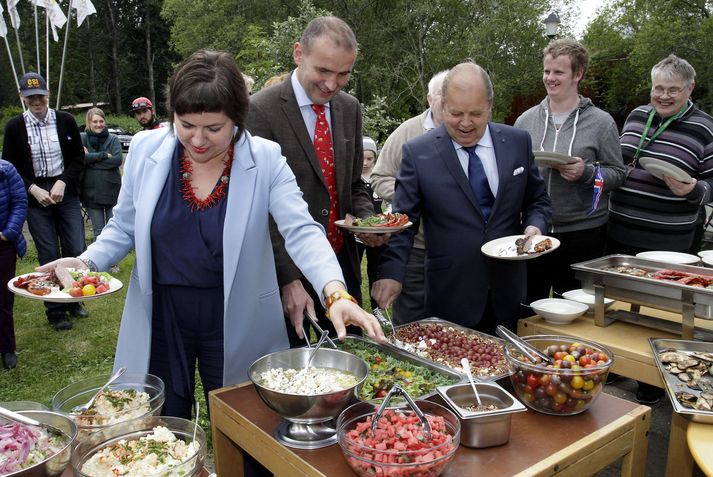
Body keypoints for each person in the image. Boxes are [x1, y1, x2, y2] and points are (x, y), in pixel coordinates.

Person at [38, 49, 384, 420]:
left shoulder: (266, 158)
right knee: (162, 419)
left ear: (237, 119)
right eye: (185, 124)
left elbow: (301, 230)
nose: (198, 140)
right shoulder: (144, 150)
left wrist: (335, 292)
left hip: (237, 311)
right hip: (162, 312)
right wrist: (85, 263)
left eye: (214, 129)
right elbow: (123, 226)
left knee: (246, 419)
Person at [372, 62, 552, 333]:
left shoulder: (517, 142)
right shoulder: (418, 152)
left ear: (490, 106)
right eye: (456, 113)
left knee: (506, 372)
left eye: (476, 114)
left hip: (508, 290)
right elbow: (404, 222)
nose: (466, 123)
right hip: (450, 292)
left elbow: (537, 200)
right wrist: (392, 273)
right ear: (442, 106)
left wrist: (534, 226)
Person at [248, 16, 387, 346]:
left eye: (343, 74)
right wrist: (288, 279)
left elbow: (353, 183)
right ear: (298, 54)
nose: (332, 83)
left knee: (352, 359)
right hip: (285, 271)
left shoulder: (349, 109)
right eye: (323, 71)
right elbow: (258, 207)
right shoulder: (260, 110)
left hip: (341, 265)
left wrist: (368, 221)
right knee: (296, 370)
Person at [607, 54, 713, 404]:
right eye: (658, 88)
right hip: (618, 228)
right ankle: (616, 364)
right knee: (616, 305)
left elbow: (711, 184)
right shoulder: (637, 115)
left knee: (659, 311)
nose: (663, 96)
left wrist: (694, 190)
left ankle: (652, 383)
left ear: (690, 89)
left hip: (669, 239)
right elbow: (619, 161)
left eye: (673, 90)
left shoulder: (705, 128)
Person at [514, 38, 626, 302]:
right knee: (528, 306)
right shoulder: (525, 120)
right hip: (533, 231)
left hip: (583, 232)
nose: (550, 78)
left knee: (576, 309)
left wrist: (585, 174)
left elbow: (617, 174)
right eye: (547, 71)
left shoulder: (601, 122)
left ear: (578, 74)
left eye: (558, 72)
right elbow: (514, 171)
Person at [3, 71, 87, 331]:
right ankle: (55, 309)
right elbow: (10, 165)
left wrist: (63, 181)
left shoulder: (65, 120)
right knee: (48, 252)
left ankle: (73, 298)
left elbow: (77, 158)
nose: (36, 101)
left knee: (75, 247)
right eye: (30, 97)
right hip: (35, 196)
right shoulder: (15, 126)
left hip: (65, 190)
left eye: (39, 95)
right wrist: (32, 189)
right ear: (22, 98)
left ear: (47, 94)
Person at [370, 70, 448, 324]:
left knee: (451, 321)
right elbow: (379, 176)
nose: (447, 101)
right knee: (412, 319)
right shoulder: (407, 132)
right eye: (441, 95)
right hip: (415, 244)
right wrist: (413, 195)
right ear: (429, 98)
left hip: (456, 250)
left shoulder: (469, 132)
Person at [0, 160, 27, 370]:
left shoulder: (6, 169)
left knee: (3, 300)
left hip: (3, 245)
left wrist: (8, 233)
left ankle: (7, 348)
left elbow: (19, 202)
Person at [80, 107, 123, 241]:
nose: (99, 124)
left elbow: (117, 160)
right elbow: (81, 159)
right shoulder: (82, 138)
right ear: (89, 123)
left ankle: (113, 261)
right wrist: (103, 155)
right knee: (98, 231)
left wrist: (91, 160)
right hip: (91, 192)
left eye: (101, 121)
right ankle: (99, 261)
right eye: (95, 122)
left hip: (111, 190)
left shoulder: (113, 139)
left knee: (113, 229)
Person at [358, 137, 385, 307]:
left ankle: (376, 308)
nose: (366, 163)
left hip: (378, 233)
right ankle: (353, 305)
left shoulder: (379, 177)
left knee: (375, 269)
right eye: (362, 158)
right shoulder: (354, 180)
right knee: (354, 272)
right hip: (356, 233)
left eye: (370, 159)